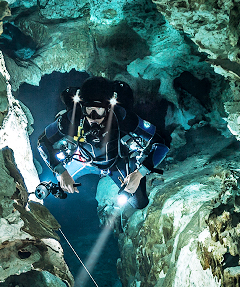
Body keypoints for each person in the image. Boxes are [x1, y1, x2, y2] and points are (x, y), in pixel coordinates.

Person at [34, 76, 168, 210]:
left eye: (99, 110)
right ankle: (51, 184)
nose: (93, 117)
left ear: (109, 107)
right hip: (83, 159)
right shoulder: (71, 118)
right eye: (88, 109)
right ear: (82, 106)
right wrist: (62, 172)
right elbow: (43, 142)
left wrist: (139, 173)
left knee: (139, 203)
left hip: (116, 162)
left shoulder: (123, 117)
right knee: (60, 182)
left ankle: (132, 168)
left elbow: (161, 143)